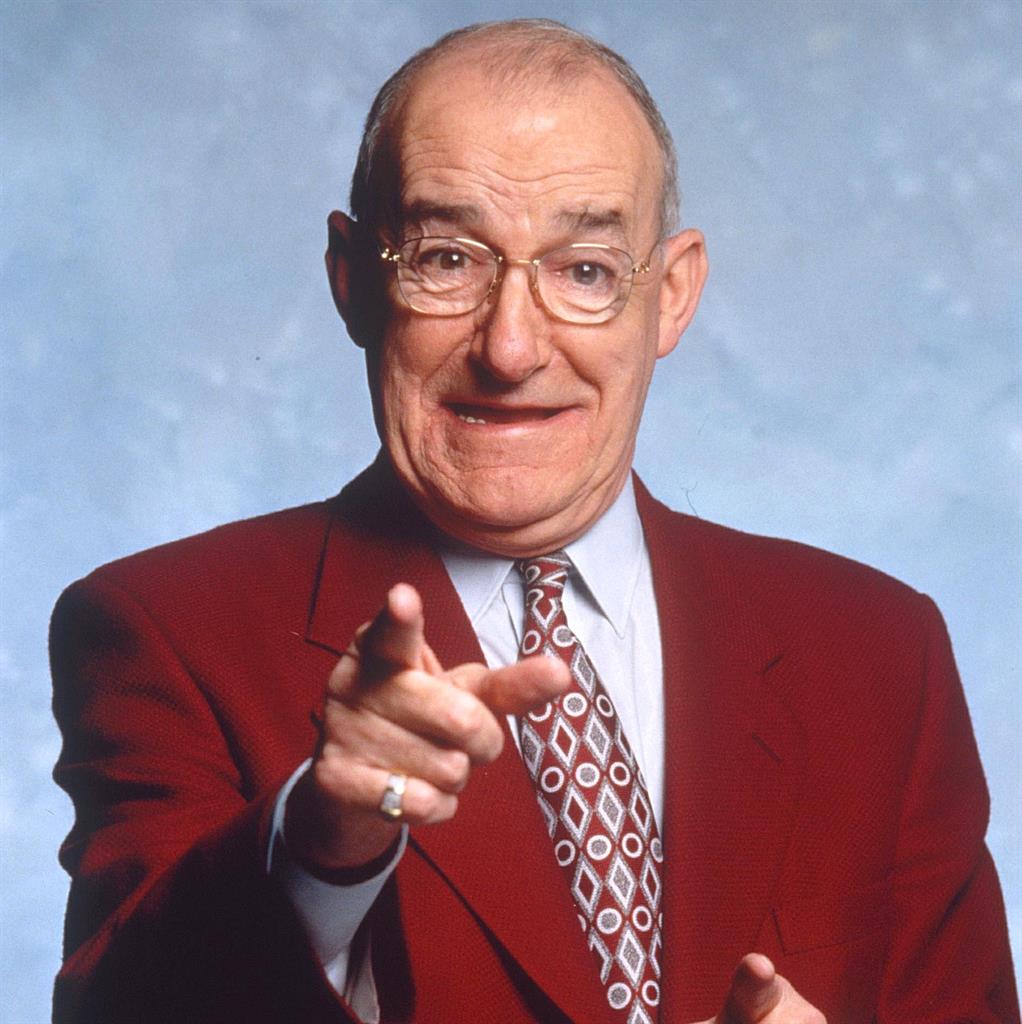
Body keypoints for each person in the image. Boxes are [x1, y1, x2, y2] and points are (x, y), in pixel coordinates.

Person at [49, 18, 1018, 1024]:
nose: (510, 349)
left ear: (671, 294)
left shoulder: (878, 650)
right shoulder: (164, 630)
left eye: (584, 270)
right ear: (353, 280)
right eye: (446, 258)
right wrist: (320, 838)